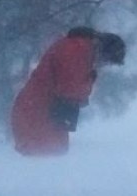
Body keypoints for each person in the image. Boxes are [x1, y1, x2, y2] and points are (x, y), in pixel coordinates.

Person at [10, 27, 126, 156]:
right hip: (37, 113)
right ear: (103, 51)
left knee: (53, 156)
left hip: (42, 112)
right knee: (46, 157)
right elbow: (70, 89)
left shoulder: (78, 48)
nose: (103, 65)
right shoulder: (77, 50)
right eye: (106, 61)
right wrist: (91, 78)